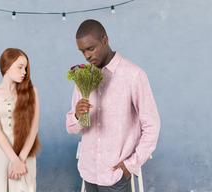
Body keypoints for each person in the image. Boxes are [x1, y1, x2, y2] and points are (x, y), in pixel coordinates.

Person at [66, 19, 160, 192]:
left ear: (105, 40)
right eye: (82, 51)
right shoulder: (82, 77)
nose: (87, 56)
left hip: (116, 175)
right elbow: (71, 128)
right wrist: (77, 116)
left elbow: (151, 126)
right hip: (89, 172)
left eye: (90, 48)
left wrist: (130, 165)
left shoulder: (133, 75)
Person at [0, 48, 41, 192]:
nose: (24, 72)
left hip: (25, 151)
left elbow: (33, 128)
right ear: (6, 67)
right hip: (0, 152)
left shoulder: (31, 91)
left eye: (25, 68)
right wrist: (14, 160)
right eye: (20, 67)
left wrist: (20, 160)